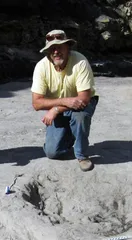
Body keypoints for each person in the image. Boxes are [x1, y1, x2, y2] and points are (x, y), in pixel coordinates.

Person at [31, 29, 99, 172]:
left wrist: (56, 109)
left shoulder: (80, 61)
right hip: (64, 105)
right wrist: (65, 102)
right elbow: (37, 103)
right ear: (48, 52)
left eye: (59, 47)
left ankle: (82, 155)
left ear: (68, 47)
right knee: (52, 152)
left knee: (79, 117)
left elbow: (84, 98)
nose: (56, 52)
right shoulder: (41, 67)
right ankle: (69, 135)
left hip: (82, 105)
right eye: (52, 48)